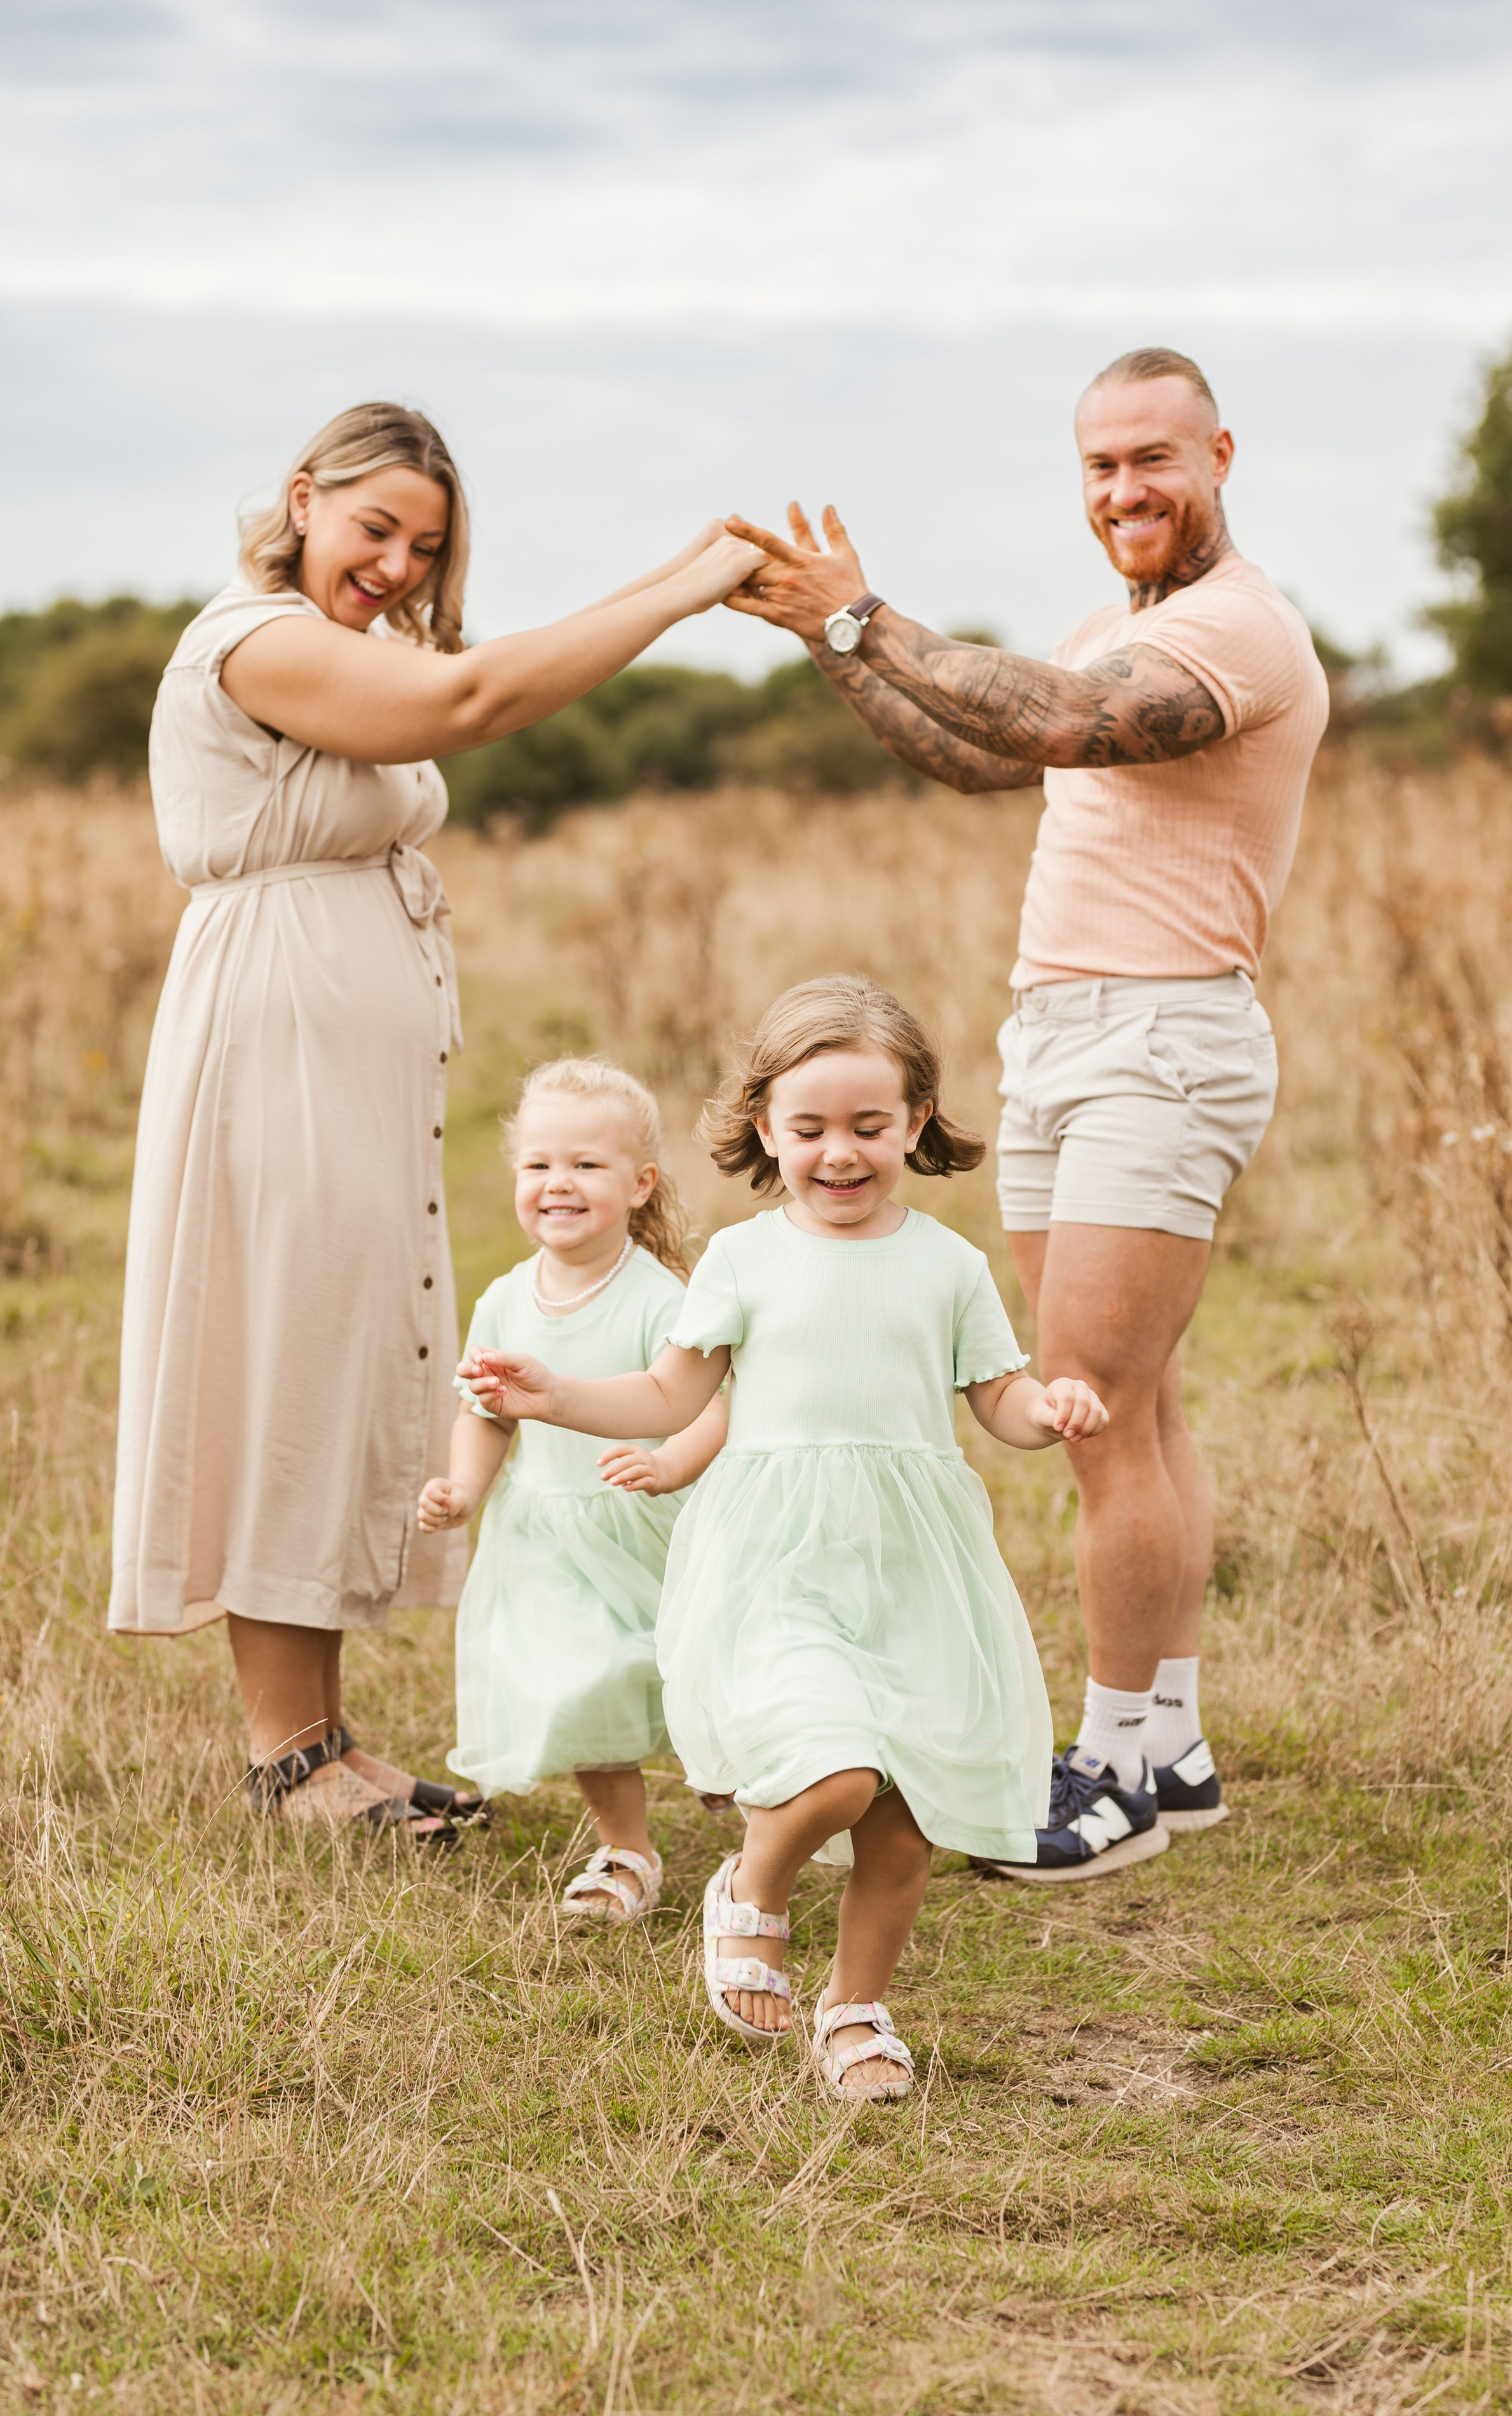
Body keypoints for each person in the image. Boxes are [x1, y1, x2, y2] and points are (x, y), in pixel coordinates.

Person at [110, 400, 764, 1838]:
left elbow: (461, 680)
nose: (399, 564)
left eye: (428, 544)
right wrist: (683, 588)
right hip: (273, 1040)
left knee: (341, 1359)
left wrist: (676, 567)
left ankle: (327, 1743)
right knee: (292, 1353)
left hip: (341, 1054)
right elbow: (477, 705)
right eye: (375, 528)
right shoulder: (255, 640)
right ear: (301, 501)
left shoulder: (358, 651)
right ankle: (294, 1763)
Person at [723, 348, 1328, 1879]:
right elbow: (975, 750)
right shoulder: (1109, 629)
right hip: (1062, 1032)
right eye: (1097, 467)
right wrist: (829, 641)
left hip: (1159, 1035)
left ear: (1219, 455)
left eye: (1151, 459)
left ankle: (1121, 1765)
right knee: (1136, 1405)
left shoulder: (1232, 628)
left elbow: (1058, 719)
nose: (1123, 490)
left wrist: (866, 613)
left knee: (1094, 1408)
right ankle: (1162, 1743)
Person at [461, 976, 1107, 2098]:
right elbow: (671, 1396)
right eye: (809, 1130)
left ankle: (856, 2012)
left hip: (912, 1559)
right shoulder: (744, 1261)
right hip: (777, 1553)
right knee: (837, 1770)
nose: (841, 1154)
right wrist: (553, 1393)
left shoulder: (948, 1266)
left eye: (869, 1126)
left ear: (915, 1121)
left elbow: (996, 1398)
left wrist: (1048, 1412)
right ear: (766, 1129)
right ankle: (750, 1886)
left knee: (906, 1809)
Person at [417, 1058, 727, 1919]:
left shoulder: (658, 1298)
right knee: (583, 1680)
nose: (560, 1183)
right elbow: (486, 1413)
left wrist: (669, 1463)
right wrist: (465, 1489)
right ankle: (626, 1852)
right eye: (538, 1165)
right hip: (548, 1538)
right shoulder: (506, 1300)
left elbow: (713, 1409)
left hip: (652, 1525)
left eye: (587, 1165)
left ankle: (729, 1776)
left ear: (640, 1184)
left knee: (688, 1675)